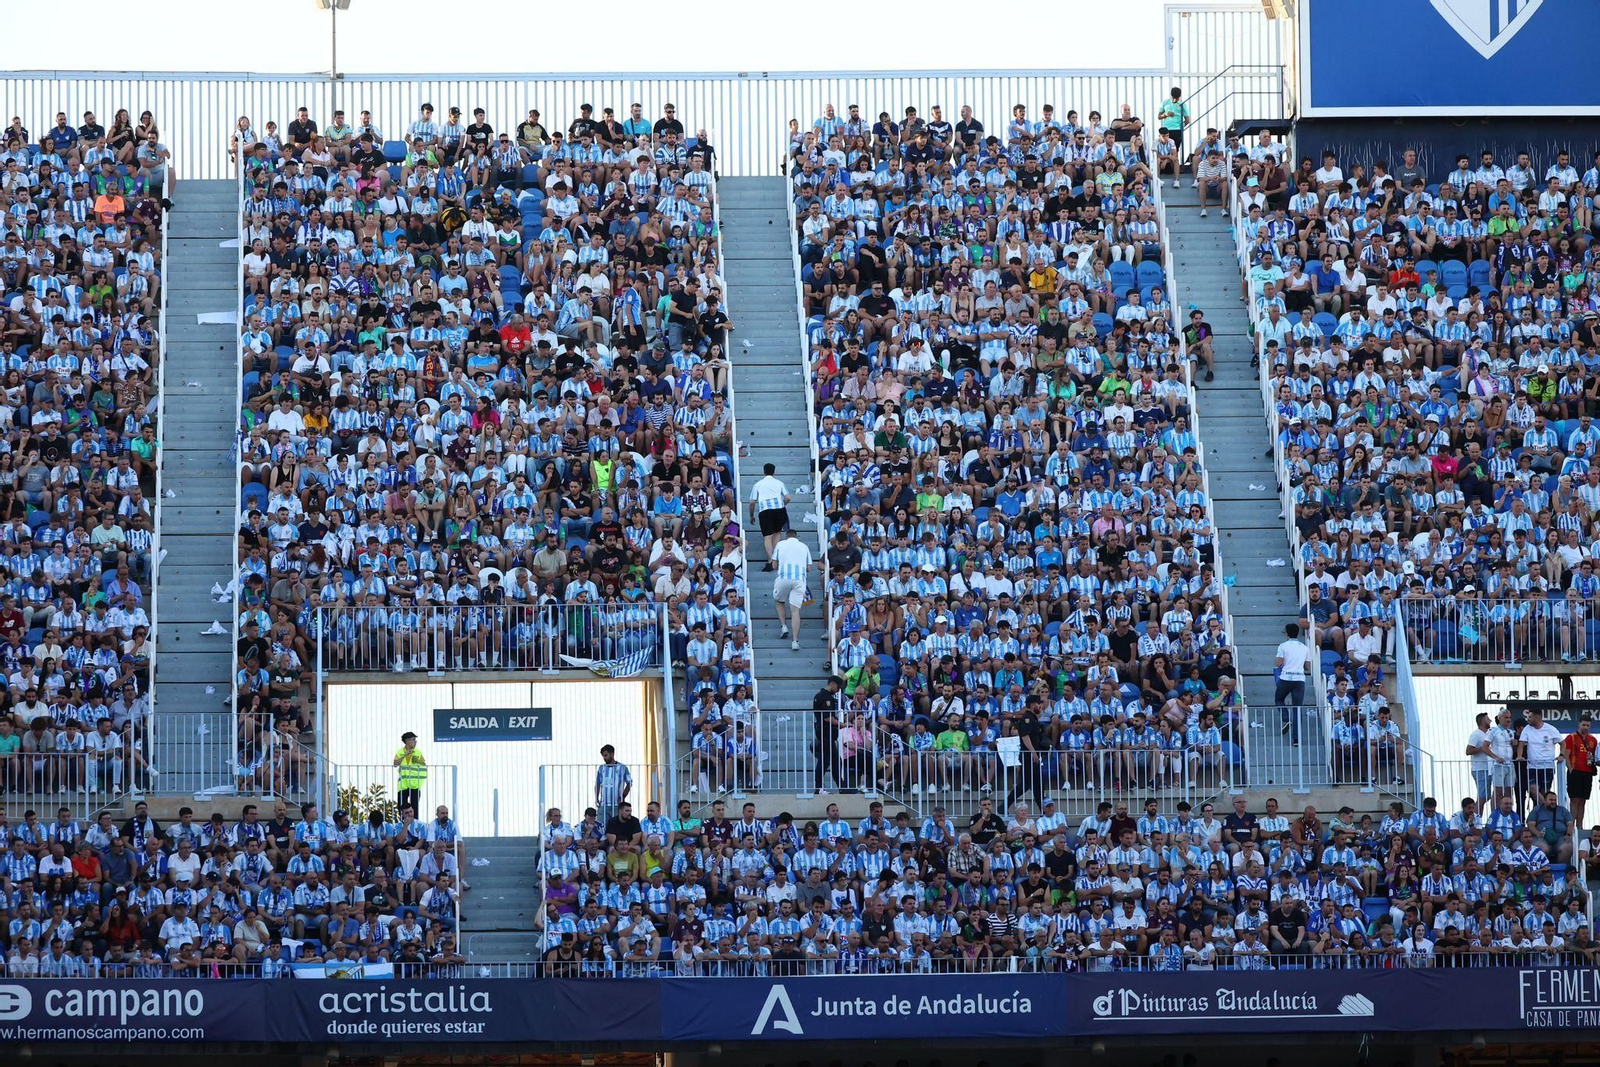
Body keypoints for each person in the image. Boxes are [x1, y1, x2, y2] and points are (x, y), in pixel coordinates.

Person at [771, 527, 815, 652]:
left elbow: (774, 565)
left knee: (779, 600)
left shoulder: (780, 544)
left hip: (784, 577)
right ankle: (795, 641)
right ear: (797, 537)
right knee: (795, 611)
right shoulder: (804, 546)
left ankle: (784, 626)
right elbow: (809, 568)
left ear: (786, 536)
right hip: (799, 579)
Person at [748, 463, 792, 570]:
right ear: (774, 472)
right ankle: (776, 558)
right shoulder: (779, 483)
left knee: (767, 537)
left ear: (764, 472)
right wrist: (782, 505)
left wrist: (751, 515)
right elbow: (788, 497)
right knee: (777, 533)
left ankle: (770, 560)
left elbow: (752, 502)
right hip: (779, 510)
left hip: (765, 510)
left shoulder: (758, 484)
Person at [1274, 623, 1312, 744]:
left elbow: (1278, 663)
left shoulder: (1283, 646)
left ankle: (1286, 718)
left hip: (1286, 677)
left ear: (1287, 633)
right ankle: (1296, 739)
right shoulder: (1305, 647)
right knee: (1297, 708)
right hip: (1299, 679)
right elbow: (1308, 667)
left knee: (1279, 700)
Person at [1563, 713, 1596, 829]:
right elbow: (1565, 755)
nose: (1585, 727)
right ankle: (1571, 826)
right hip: (1575, 771)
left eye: (1588, 725)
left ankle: (1580, 826)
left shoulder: (1593, 740)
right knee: (1575, 799)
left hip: (1587, 772)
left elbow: (1594, 756)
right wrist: (1571, 769)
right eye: (1583, 725)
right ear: (1579, 724)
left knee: (1583, 800)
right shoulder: (1571, 737)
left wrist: (1593, 760)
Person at [595, 744, 633, 829]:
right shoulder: (601, 768)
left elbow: (629, 782)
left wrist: (622, 796)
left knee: (616, 828)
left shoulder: (622, 767)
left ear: (612, 754)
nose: (604, 758)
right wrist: (597, 798)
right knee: (601, 828)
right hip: (604, 804)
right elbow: (597, 784)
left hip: (617, 805)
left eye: (606, 755)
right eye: (603, 756)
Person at [394, 731, 427, 814]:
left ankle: (414, 824)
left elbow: (424, 764)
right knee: (401, 806)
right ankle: (403, 823)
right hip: (403, 784)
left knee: (414, 807)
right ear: (407, 741)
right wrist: (404, 755)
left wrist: (418, 760)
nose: (415, 742)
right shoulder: (400, 752)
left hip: (415, 784)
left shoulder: (418, 752)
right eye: (413, 740)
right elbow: (395, 764)